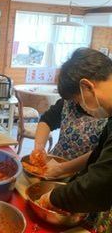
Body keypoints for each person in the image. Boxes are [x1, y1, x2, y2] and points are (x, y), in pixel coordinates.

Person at [39, 48, 112, 232]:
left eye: (79, 100)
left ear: (87, 86)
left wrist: (52, 198)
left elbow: (99, 184)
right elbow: (98, 155)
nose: (79, 105)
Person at [34, 98, 107, 160]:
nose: (75, 101)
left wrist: (62, 168)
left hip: (87, 171)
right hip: (56, 158)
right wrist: (39, 148)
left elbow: (99, 153)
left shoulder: (107, 112)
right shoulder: (69, 100)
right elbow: (47, 120)